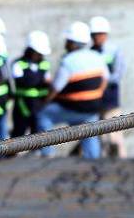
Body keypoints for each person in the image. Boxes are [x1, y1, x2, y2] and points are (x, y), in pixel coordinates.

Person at [36, 21, 108, 158]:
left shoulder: (68, 61)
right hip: (92, 108)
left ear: (73, 43)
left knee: (43, 115)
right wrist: (96, 95)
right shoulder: (97, 57)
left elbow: (56, 88)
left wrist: (44, 102)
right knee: (90, 131)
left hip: (73, 108)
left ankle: (47, 155)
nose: (65, 44)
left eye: (67, 41)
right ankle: (94, 161)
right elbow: (105, 79)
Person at [89, 16, 126, 157]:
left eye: (99, 34)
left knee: (115, 137)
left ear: (105, 34)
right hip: (95, 100)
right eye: (94, 35)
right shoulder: (90, 52)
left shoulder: (114, 50)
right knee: (102, 138)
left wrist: (101, 81)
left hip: (110, 99)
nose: (97, 37)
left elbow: (118, 74)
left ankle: (122, 165)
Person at [11, 31, 52, 137]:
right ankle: (12, 154)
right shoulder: (18, 64)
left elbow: (48, 82)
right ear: (30, 50)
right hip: (23, 106)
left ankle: (34, 154)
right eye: (38, 53)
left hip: (39, 105)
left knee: (38, 136)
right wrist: (40, 79)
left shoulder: (44, 63)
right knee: (18, 135)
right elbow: (25, 82)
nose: (40, 56)